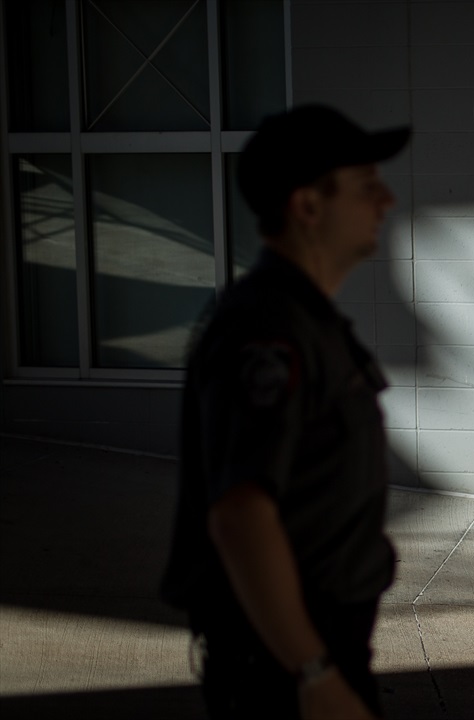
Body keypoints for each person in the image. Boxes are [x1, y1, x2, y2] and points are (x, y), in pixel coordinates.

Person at [160, 104, 409, 719]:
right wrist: (313, 674)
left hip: (313, 650)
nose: (386, 200)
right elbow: (241, 514)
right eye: (365, 187)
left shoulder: (304, 320)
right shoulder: (266, 330)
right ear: (308, 206)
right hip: (284, 668)